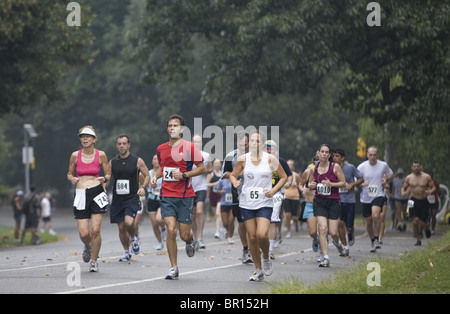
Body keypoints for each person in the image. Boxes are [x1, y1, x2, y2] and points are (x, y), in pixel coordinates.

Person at [151, 114, 206, 280]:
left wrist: (184, 175)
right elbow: (162, 168)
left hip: (185, 196)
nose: (172, 128)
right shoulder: (161, 148)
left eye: (175, 125)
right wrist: (155, 177)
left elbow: (202, 168)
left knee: (184, 234)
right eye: (170, 125)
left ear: (182, 129)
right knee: (171, 230)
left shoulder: (189, 147)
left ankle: (190, 241)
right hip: (167, 194)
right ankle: (173, 267)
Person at [230, 131, 287, 281]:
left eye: (257, 141)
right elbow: (232, 175)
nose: (254, 143)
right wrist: (235, 182)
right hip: (247, 203)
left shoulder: (270, 159)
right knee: (252, 238)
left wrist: (274, 190)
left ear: (262, 144)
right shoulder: (243, 159)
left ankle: (266, 258)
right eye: (252, 141)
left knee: (262, 234)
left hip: (264, 202)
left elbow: (284, 177)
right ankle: (258, 270)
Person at [67, 126, 111, 272]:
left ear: (94, 139)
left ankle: (94, 260)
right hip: (80, 194)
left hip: (97, 192)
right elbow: (69, 172)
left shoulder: (101, 155)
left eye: (88, 136)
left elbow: (108, 174)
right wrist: (71, 178)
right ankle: (87, 246)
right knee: (84, 233)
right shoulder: (75, 155)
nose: (85, 139)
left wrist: (104, 178)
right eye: (82, 136)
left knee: (95, 230)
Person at [109, 134, 150, 262]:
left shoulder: (137, 161)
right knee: (121, 227)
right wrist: (103, 186)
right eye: (119, 143)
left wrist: (143, 187)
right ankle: (126, 252)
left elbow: (147, 175)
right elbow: (107, 178)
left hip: (132, 198)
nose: (122, 146)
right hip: (117, 200)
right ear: (117, 146)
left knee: (129, 223)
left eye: (124, 143)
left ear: (128, 145)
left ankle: (133, 238)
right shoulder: (112, 162)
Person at [307, 144, 346, 267]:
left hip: (333, 201)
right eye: (322, 151)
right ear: (318, 153)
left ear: (329, 155)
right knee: (322, 229)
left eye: (326, 152)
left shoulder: (335, 167)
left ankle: (338, 244)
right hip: (319, 201)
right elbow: (310, 183)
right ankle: (326, 257)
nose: (324, 154)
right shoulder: (314, 169)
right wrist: (311, 186)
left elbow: (343, 183)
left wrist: (331, 184)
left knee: (333, 232)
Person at [222, 131, 252, 264]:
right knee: (241, 223)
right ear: (237, 143)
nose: (243, 147)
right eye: (241, 145)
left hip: (254, 193)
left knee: (252, 223)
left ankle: (253, 249)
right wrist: (235, 174)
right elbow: (225, 173)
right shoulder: (231, 156)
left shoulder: (257, 156)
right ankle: (246, 249)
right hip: (238, 192)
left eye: (246, 144)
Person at [357, 146, 393, 253]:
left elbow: (391, 174)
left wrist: (386, 179)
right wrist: (363, 183)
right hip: (366, 197)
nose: (372, 157)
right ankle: (372, 240)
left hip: (379, 194)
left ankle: (377, 238)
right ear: (367, 155)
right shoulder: (362, 167)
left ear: (377, 155)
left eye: (374, 155)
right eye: (370, 155)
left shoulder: (383, 165)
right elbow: (356, 180)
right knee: (368, 222)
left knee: (376, 215)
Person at [264, 140, 292, 259]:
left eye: (272, 148)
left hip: (276, 194)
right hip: (262, 194)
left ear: (276, 150)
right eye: (267, 148)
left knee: (273, 220)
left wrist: (289, 182)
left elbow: (289, 175)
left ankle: (270, 250)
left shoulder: (280, 161)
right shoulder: (259, 161)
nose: (269, 150)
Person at [333, 149, 363, 256]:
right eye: (334, 156)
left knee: (349, 226)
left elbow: (361, 179)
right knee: (340, 223)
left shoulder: (350, 167)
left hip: (350, 200)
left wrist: (352, 184)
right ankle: (345, 246)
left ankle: (350, 233)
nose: (335, 158)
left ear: (342, 158)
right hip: (337, 199)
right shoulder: (331, 168)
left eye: (337, 156)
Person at [401, 161, 435, 246]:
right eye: (414, 166)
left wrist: (429, 191)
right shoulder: (409, 177)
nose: (416, 168)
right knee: (415, 221)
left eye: (418, 166)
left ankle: (426, 228)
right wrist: (403, 193)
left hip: (424, 200)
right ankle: (418, 239)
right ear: (412, 167)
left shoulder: (426, 177)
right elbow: (404, 188)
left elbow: (433, 187)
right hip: (413, 200)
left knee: (423, 223)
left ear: (421, 167)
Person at [191, 134, 212, 250]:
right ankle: (194, 237)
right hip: (191, 188)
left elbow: (210, 169)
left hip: (201, 187)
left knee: (199, 211)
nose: (196, 144)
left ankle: (200, 236)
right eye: (194, 142)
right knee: (192, 214)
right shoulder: (187, 156)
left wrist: (206, 171)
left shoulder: (206, 155)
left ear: (201, 143)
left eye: (198, 142)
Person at [146, 154, 166, 250]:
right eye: (154, 159)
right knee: (154, 223)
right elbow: (144, 184)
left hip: (161, 199)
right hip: (151, 199)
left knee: (159, 219)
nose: (156, 161)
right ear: (152, 161)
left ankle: (163, 229)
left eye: (158, 159)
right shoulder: (148, 173)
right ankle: (159, 242)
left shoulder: (163, 173)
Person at [283, 159, 302, 238]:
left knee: (294, 217)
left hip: (295, 197)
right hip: (286, 196)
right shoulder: (283, 175)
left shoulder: (296, 175)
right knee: (287, 214)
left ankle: (296, 223)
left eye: (290, 164)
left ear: (293, 166)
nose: (289, 166)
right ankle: (289, 231)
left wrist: (302, 190)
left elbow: (300, 184)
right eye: (287, 164)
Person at [208, 159, 223, 239]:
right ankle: (219, 227)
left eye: (218, 163)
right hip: (213, 195)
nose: (217, 165)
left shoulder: (223, 174)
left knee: (218, 213)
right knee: (215, 214)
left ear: (220, 164)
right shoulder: (211, 174)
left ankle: (217, 231)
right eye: (215, 163)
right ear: (213, 165)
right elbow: (207, 183)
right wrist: (216, 183)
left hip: (221, 195)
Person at [216, 177, 235, 244]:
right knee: (225, 223)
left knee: (231, 221)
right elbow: (218, 190)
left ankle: (230, 237)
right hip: (224, 203)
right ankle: (227, 230)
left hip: (233, 203)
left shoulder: (235, 178)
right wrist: (221, 191)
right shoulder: (222, 180)